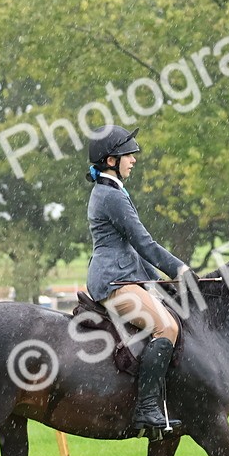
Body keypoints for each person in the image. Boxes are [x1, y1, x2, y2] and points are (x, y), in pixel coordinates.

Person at [85, 125, 196, 436]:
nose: (133, 159)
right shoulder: (111, 196)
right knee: (168, 327)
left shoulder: (113, 191)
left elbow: (137, 248)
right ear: (110, 160)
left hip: (126, 276)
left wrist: (162, 277)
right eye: (127, 155)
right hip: (115, 282)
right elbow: (144, 244)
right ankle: (146, 409)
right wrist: (180, 271)